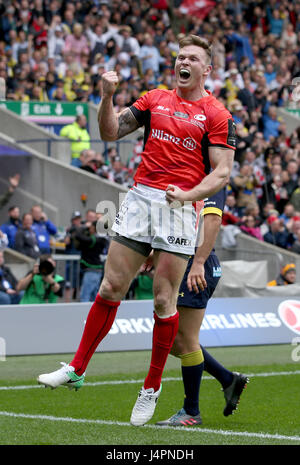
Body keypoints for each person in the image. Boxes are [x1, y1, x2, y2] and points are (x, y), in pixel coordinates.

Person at [37, 35, 235, 427]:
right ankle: (77, 368)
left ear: (206, 69)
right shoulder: (154, 99)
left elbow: (222, 172)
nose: (184, 62)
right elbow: (110, 132)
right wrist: (106, 96)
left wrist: (189, 195)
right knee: (110, 287)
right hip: (141, 199)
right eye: (180, 56)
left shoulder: (216, 114)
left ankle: (151, 387)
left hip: (179, 208)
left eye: (193, 58)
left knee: (164, 302)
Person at [155, 190, 248, 426]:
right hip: (188, 261)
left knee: (185, 340)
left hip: (196, 263)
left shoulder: (210, 181)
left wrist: (197, 262)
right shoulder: (190, 180)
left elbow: (213, 220)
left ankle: (191, 411)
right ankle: (228, 379)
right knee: (177, 342)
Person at [73, 220, 108, 303]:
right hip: (95, 271)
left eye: (91, 228)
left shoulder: (96, 239)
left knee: (85, 297)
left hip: (92, 271)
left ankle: (84, 315)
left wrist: (84, 226)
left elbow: (78, 236)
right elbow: (80, 245)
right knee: (93, 298)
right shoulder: (101, 238)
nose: (89, 229)